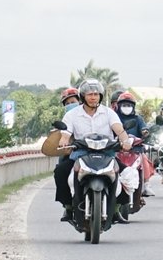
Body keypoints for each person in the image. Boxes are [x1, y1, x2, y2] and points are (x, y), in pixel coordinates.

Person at [53, 79, 134, 223]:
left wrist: (125, 140)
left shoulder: (109, 113)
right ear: (83, 96)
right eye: (90, 94)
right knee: (60, 171)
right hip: (81, 153)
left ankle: (116, 209)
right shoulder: (72, 115)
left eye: (96, 94)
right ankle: (68, 207)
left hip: (107, 154)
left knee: (129, 175)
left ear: (101, 96)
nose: (93, 97)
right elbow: (65, 132)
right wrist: (64, 139)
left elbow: (119, 129)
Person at [111, 91, 150, 219]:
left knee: (144, 163)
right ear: (118, 105)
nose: (126, 107)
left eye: (129, 104)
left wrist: (145, 133)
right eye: (124, 104)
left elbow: (144, 130)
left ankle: (145, 187)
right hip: (116, 150)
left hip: (135, 150)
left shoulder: (138, 119)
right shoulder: (114, 117)